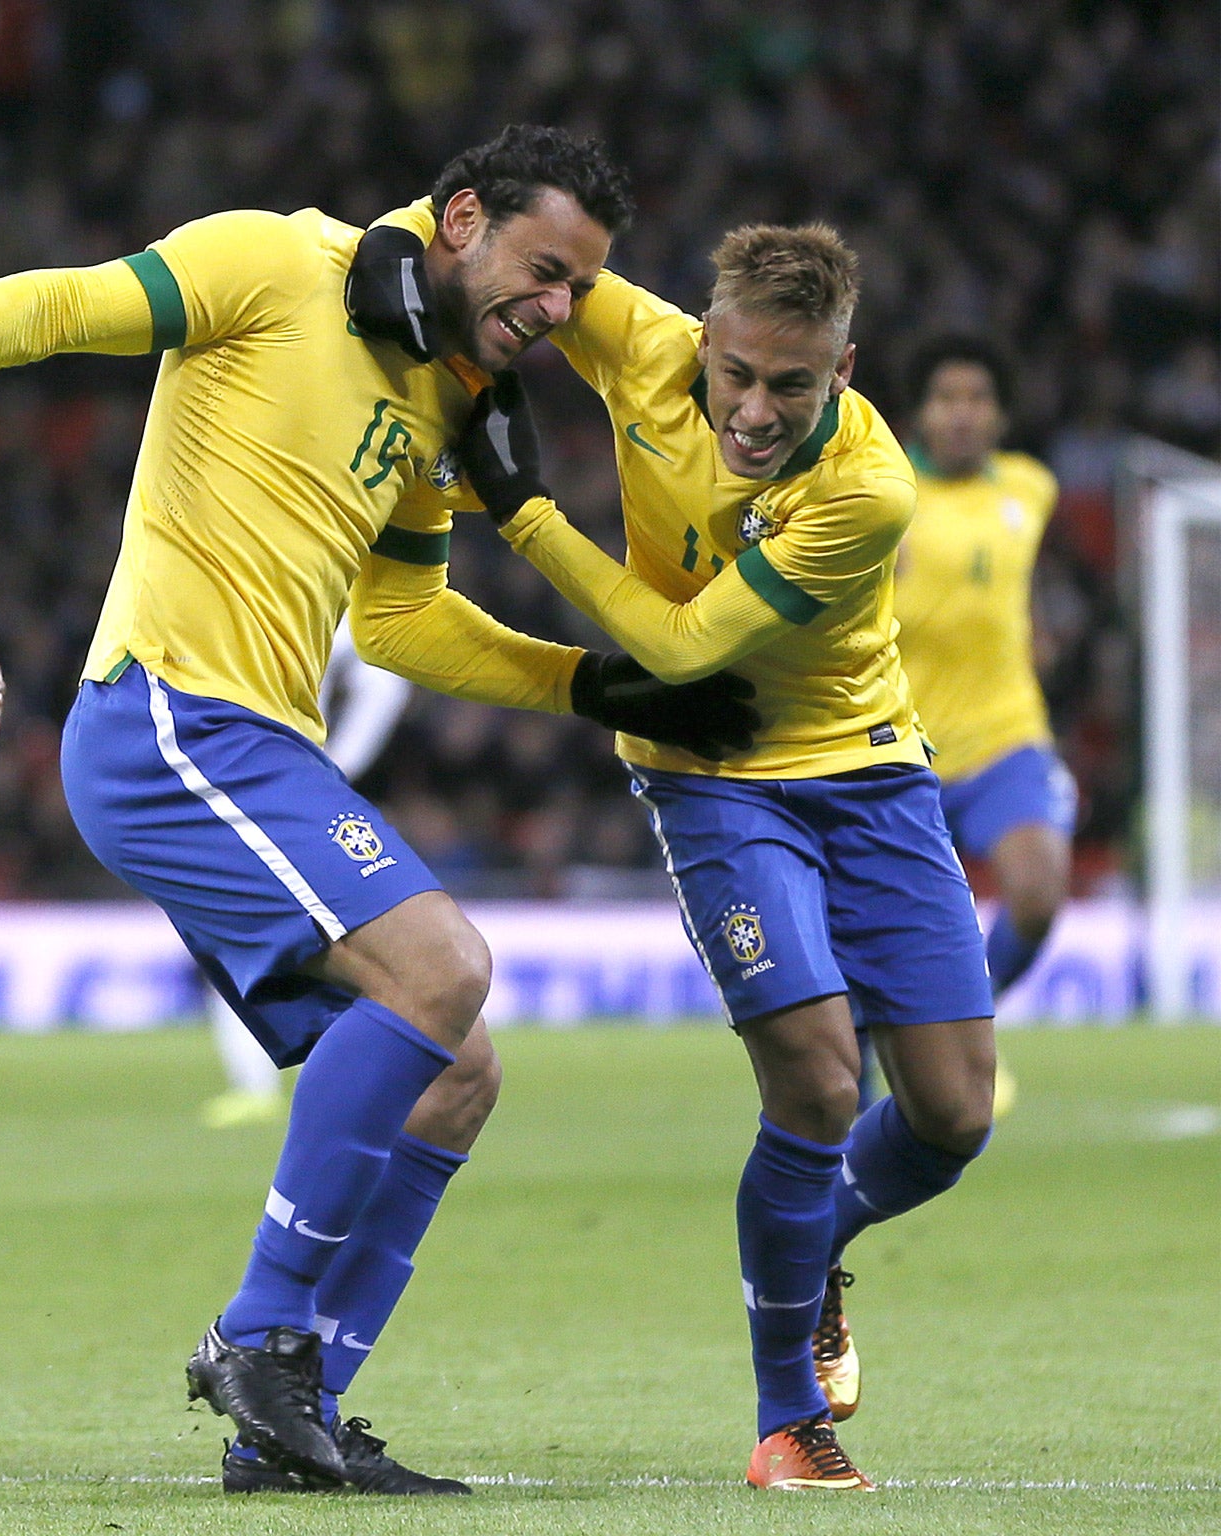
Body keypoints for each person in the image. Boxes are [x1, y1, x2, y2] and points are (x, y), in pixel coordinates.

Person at [0, 125, 756, 1494]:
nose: (561, 312)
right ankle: (257, 1333)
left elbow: (397, 626)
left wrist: (598, 689)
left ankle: (295, 1415)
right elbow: (59, 305)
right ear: (460, 220)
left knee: (457, 1074)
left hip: (258, 742)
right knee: (444, 965)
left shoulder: (443, 398)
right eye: (546, 270)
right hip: (167, 715)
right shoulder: (274, 262)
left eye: (580, 290)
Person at [350, 213, 995, 1491]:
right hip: (708, 776)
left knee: (951, 1116)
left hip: (865, 768)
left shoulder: (865, 488)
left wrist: (521, 509)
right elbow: (499, 240)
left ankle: (812, 1249)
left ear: (843, 375)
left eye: (792, 385)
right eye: (736, 375)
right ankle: (784, 1424)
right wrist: (388, 245)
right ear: (700, 342)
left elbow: (688, 645)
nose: (754, 410)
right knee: (816, 1084)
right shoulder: (637, 340)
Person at [893, 336, 1073, 999]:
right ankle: (872, 1076)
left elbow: (1009, 573)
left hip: (1005, 735)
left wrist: (1031, 628)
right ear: (920, 414)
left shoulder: (1031, 487)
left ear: (1000, 416)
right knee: (873, 937)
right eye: (946, 399)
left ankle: (964, 1017)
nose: (963, 414)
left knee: (1036, 896)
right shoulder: (886, 493)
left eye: (977, 399)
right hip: (902, 750)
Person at [201, 615, 412, 1130]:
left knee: (265, 940)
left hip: (297, 797)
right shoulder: (279, 611)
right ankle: (270, 1084)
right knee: (251, 942)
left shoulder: (324, 615)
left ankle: (365, 1070)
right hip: (277, 791)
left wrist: (332, 765)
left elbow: (383, 688)